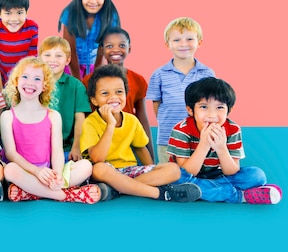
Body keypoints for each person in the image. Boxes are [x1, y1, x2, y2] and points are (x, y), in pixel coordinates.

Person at [80, 64, 202, 202]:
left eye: (119, 92)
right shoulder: (90, 123)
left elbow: (140, 148)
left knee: (173, 170)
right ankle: (157, 193)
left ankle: (118, 189)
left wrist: (152, 169)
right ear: (94, 100)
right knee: (99, 169)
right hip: (106, 172)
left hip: (129, 171)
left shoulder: (132, 120)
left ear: (126, 94)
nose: (113, 97)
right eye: (105, 93)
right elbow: (97, 159)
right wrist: (110, 125)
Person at [1, 57, 101, 203]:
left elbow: (57, 151)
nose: (30, 82)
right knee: (9, 170)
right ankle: (65, 195)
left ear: (45, 86)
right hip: (24, 171)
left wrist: (58, 175)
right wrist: (36, 171)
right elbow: (11, 154)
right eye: (25, 76)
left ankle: (31, 193)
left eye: (37, 79)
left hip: (48, 172)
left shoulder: (53, 116)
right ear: (16, 81)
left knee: (86, 166)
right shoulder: (7, 116)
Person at [167, 77, 282, 204]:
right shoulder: (181, 130)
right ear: (190, 110)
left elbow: (232, 171)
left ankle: (198, 191)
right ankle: (239, 196)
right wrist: (204, 145)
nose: (212, 115)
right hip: (187, 176)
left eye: (220, 107)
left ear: (229, 110)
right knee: (174, 178)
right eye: (204, 107)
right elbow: (187, 171)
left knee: (257, 176)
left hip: (218, 175)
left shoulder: (232, 129)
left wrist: (221, 148)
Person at [147, 17, 215, 164]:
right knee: (168, 174)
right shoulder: (159, 74)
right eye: (177, 40)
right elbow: (157, 104)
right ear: (167, 44)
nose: (183, 44)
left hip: (198, 137)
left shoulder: (207, 73)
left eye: (189, 39)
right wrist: (167, 122)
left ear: (199, 41)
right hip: (167, 137)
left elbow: (211, 106)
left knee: (195, 173)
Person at [82, 27, 154, 161]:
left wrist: (153, 162)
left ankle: (133, 181)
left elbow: (142, 118)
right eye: (110, 46)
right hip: (100, 140)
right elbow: (85, 115)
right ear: (102, 50)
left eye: (121, 45)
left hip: (127, 140)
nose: (116, 49)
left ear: (129, 48)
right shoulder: (89, 80)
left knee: (170, 170)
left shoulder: (138, 80)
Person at [58, 0, 120, 80]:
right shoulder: (70, 13)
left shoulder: (110, 16)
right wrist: (78, 81)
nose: (93, 1)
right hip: (72, 65)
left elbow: (105, 48)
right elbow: (70, 49)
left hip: (95, 65)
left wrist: (96, 75)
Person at [38, 36, 91, 162]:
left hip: (66, 148)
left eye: (58, 56)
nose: (52, 60)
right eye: (47, 55)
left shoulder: (76, 85)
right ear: (39, 58)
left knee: (83, 167)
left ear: (67, 60)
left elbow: (80, 118)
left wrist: (76, 147)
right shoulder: (33, 83)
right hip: (38, 148)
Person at [0, 0, 39, 89]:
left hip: (24, 80)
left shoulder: (32, 28)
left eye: (19, 13)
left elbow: (30, 61)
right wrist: (1, 93)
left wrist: (21, 88)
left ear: (26, 12)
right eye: (8, 13)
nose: (14, 19)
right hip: (2, 81)